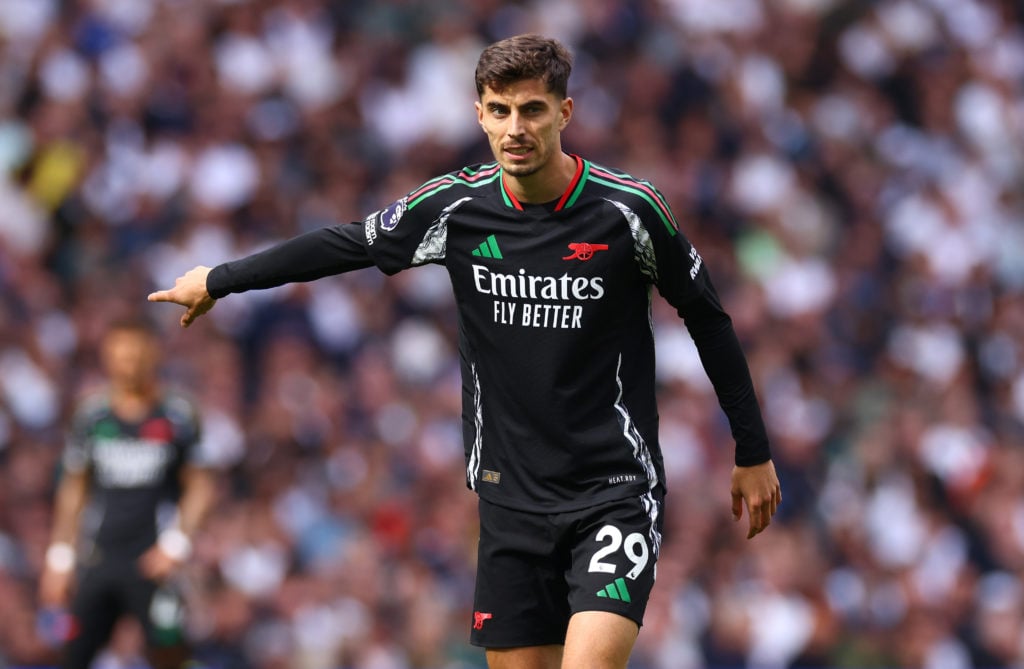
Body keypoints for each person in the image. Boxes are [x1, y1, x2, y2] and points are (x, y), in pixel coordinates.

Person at [148, 33, 781, 669]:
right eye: (499, 111)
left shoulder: (629, 211)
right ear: (479, 114)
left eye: (532, 110)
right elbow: (345, 245)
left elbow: (708, 318)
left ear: (564, 113)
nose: (515, 128)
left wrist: (751, 450)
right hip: (509, 501)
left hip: (612, 490)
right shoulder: (455, 207)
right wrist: (220, 279)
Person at [38, 317, 217, 669]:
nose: (128, 364)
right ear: (107, 356)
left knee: (172, 655)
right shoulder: (91, 415)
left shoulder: (177, 415)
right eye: (120, 355)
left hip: (153, 562)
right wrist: (59, 557)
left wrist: (175, 544)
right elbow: (75, 485)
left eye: (136, 354)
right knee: (73, 655)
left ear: (154, 354)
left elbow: (201, 485)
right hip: (98, 559)